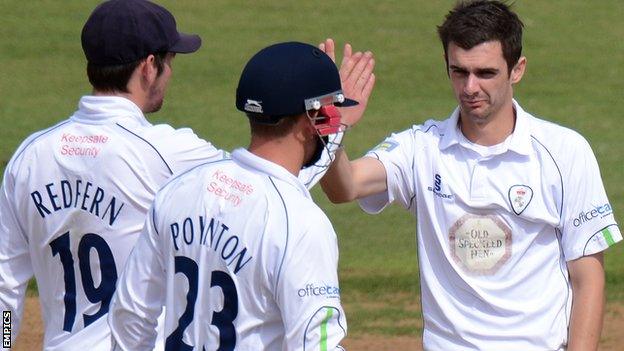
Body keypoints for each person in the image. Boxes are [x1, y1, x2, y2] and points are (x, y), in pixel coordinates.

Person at [0, 1, 361, 349]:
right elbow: (267, 185)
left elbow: (5, 292)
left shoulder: (28, 157)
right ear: (149, 66)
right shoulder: (170, 153)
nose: (171, 73)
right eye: (170, 60)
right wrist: (331, 122)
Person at [320, 1, 621, 350]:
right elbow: (345, 186)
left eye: (486, 73)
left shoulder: (565, 151)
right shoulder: (422, 148)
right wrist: (330, 128)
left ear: (517, 69)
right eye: (459, 72)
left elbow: (588, 279)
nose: (470, 87)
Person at [108, 41, 375, 350]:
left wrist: (331, 121)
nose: (333, 124)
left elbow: (130, 315)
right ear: (306, 123)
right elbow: (316, 344)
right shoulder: (302, 224)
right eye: (328, 115)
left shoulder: (179, 191)